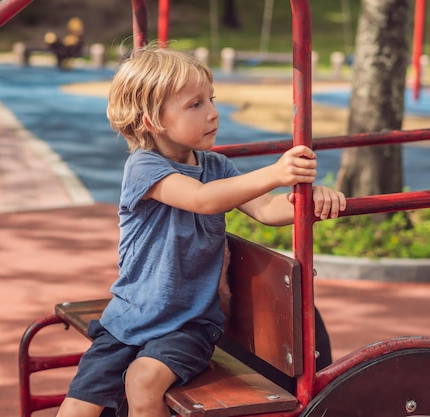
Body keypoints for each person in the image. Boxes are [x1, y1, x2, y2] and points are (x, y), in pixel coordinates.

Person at [56, 46, 346, 417]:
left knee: (143, 381)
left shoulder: (217, 166)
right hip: (128, 317)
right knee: (79, 405)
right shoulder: (143, 168)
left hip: (188, 324)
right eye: (194, 105)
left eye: (211, 99)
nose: (213, 112)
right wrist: (275, 172)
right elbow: (203, 199)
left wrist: (308, 200)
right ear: (152, 121)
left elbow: (266, 209)